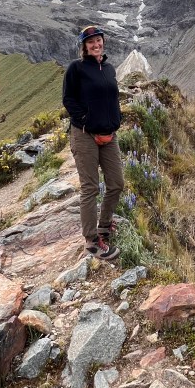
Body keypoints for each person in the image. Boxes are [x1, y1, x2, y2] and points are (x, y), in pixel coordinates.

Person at [62, 24, 124, 260]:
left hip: (109, 135)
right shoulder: (76, 69)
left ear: (103, 42)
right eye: (91, 42)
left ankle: (104, 226)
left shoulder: (108, 68)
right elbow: (68, 99)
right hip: (85, 135)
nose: (96, 45)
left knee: (116, 183)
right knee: (90, 188)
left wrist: (116, 119)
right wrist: (86, 121)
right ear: (84, 46)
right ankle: (91, 242)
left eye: (98, 40)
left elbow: (112, 98)